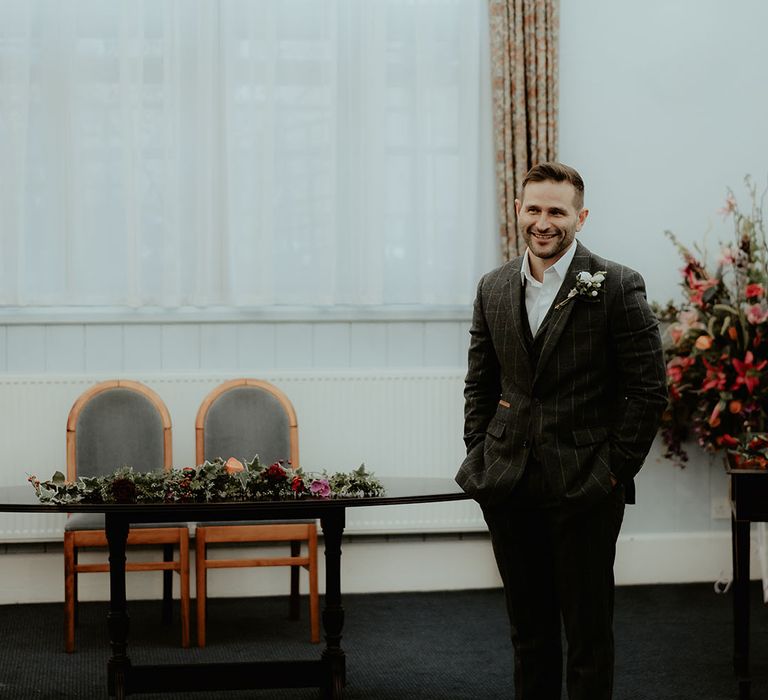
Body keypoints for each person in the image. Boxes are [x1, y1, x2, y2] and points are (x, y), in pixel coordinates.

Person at [456, 161, 667, 700]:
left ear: (581, 216)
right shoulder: (493, 287)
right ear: (519, 211)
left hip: (587, 487)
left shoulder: (617, 284)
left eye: (557, 211)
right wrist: (482, 456)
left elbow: (647, 391)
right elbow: (479, 385)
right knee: (528, 635)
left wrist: (612, 473)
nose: (543, 221)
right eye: (534, 209)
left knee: (588, 636)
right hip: (509, 484)